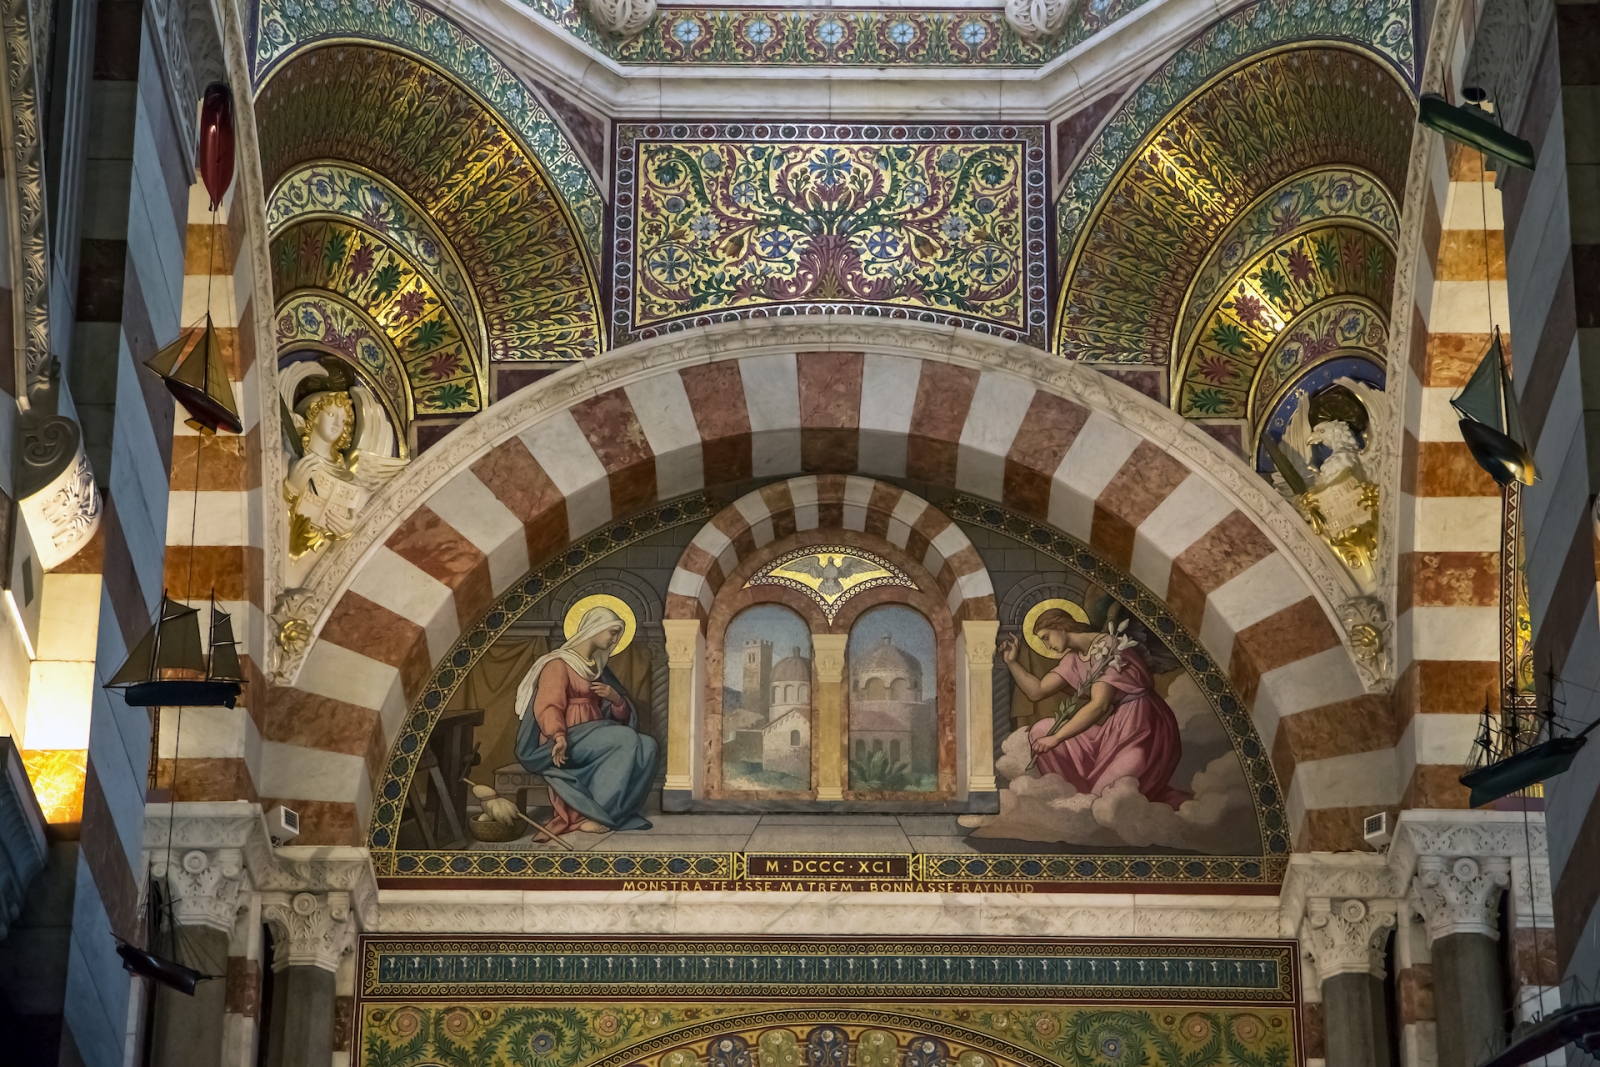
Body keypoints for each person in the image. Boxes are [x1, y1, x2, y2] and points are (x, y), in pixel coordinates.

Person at [997, 608, 1187, 809]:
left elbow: (1100, 705)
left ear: (1060, 626)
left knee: (1103, 798)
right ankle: (1079, 793)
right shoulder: (1073, 658)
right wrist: (1012, 662)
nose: (1047, 645)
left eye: (1046, 637)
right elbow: (1037, 691)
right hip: (1115, 728)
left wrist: (1056, 738)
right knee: (1040, 730)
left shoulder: (1107, 646)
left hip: (1145, 726)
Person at [513, 606, 657, 836]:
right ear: (594, 628)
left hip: (597, 733)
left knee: (649, 746)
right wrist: (558, 736)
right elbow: (548, 706)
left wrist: (616, 698)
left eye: (618, 633)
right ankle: (585, 815)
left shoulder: (597, 669)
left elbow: (620, 716)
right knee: (626, 738)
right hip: (565, 735)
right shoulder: (558, 664)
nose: (614, 639)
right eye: (611, 631)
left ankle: (613, 811)